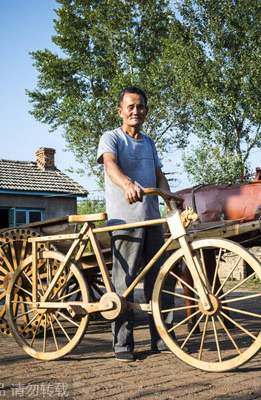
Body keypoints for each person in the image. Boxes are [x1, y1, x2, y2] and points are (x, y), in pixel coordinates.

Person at [97, 87, 175, 362]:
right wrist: (127, 184)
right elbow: (110, 166)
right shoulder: (111, 138)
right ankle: (122, 344)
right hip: (125, 219)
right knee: (125, 283)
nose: (135, 111)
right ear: (120, 111)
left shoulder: (150, 143)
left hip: (153, 219)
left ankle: (163, 338)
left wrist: (170, 198)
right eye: (130, 107)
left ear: (146, 111)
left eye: (140, 107)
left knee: (160, 280)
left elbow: (158, 174)